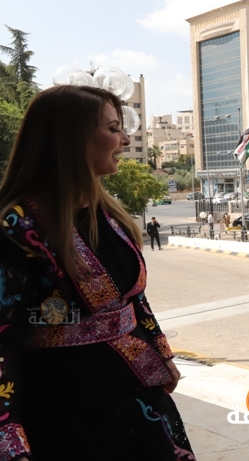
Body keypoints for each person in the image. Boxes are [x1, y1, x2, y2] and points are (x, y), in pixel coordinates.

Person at [0, 85, 194, 460]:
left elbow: (133, 297)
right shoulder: (17, 225)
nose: (125, 140)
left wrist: (160, 351)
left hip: (136, 399)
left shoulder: (106, 213)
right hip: (68, 409)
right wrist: (9, 435)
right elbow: (5, 336)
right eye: (113, 128)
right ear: (71, 138)